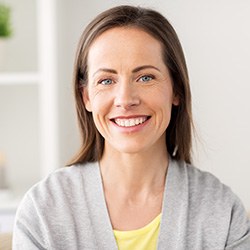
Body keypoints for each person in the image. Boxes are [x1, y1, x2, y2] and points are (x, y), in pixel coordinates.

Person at [13, 5, 250, 250]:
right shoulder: (43, 212)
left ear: (176, 89)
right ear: (86, 97)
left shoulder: (222, 212)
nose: (125, 100)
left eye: (145, 77)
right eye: (106, 80)